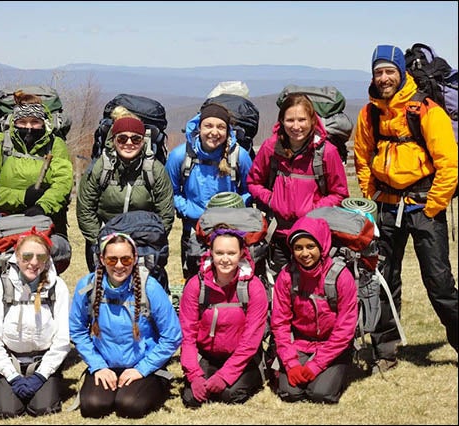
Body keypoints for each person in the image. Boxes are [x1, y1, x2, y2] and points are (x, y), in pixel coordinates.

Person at [354, 44, 458, 372]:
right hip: (385, 206)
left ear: (401, 73)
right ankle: (385, 350)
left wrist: (434, 206)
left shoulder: (426, 110)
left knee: (439, 282)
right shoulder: (369, 112)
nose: (384, 78)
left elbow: (449, 163)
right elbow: (362, 157)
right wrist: (371, 199)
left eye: (389, 71)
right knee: (383, 278)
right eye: (378, 72)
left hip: (423, 205)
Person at [69, 232, 182, 419]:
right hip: (105, 363)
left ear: (135, 259)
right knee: (93, 406)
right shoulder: (88, 286)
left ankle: (156, 384)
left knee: (129, 406)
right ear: (102, 259)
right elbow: (77, 330)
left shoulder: (150, 288)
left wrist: (142, 369)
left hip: (143, 364)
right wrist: (98, 366)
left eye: (126, 259)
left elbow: (172, 335)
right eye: (112, 260)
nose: (119, 266)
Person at [247, 93, 349, 279]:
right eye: (290, 120)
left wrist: (314, 210)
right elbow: (254, 182)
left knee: (312, 291)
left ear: (312, 120)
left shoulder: (327, 152)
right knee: (280, 288)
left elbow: (339, 193)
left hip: (314, 236)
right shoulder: (271, 148)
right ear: (281, 121)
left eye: (302, 119)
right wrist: (272, 200)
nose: (296, 126)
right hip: (279, 234)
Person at [0, 227, 71, 419]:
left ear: (48, 259)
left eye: (41, 257)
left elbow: (63, 339)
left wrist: (41, 375)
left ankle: (46, 382)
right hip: (10, 361)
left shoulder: (58, 288)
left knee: (43, 409)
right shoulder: (1, 287)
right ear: (17, 257)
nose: (34, 263)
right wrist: (11, 376)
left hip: (43, 362)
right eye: (27, 256)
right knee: (7, 412)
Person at [178, 224, 269, 407]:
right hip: (208, 355)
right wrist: (194, 375)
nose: (225, 259)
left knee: (229, 394)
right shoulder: (196, 285)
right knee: (192, 398)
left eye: (231, 253)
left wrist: (224, 376)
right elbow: (186, 335)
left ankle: (254, 374)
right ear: (210, 252)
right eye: (219, 253)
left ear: (242, 253)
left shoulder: (253, 287)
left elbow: (250, 341)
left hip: (242, 356)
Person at [271, 216, 358, 404]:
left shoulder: (341, 277)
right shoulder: (286, 276)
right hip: (300, 343)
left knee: (321, 394)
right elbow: (280, 323)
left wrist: (316, 365)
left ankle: (339, 369)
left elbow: (345, 329)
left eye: (310, 246)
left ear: (322, 246)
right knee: (290, 394)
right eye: (298, 248)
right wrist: (291, 363)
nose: (304, 253)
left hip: (333, 345)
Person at [77, 109, 174, 271]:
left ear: (143, 141)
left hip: (144, 244)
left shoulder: (154, 170)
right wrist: (101, 241)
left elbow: (165, 214)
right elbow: (85, 210)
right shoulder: (100, 168)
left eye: (135, 139)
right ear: (113, 140)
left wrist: (149, 240)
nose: (129, 143)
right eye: (122, 138)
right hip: (104, 242)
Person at [165, 102, 253, 279]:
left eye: (221, 127)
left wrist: (233, 209)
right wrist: (188, 209)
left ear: (228, 130)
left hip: (232, 230)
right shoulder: (180, 156)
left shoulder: (239, 156)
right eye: (208, 125)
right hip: (194, 229)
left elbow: (250, 189)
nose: (214, 132)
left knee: (229, 277)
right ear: (199, 127)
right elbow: (170, 192)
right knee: (194, 278)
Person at [0, 89, 73, 239]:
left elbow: (63, 183)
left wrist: (42, 206)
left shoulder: (55, 144)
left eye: (35, 122)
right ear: (14, 122)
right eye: (22, 122)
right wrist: (23, 197)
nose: (28, 127)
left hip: (46, 221)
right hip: (6, 226)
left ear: (44, 123)